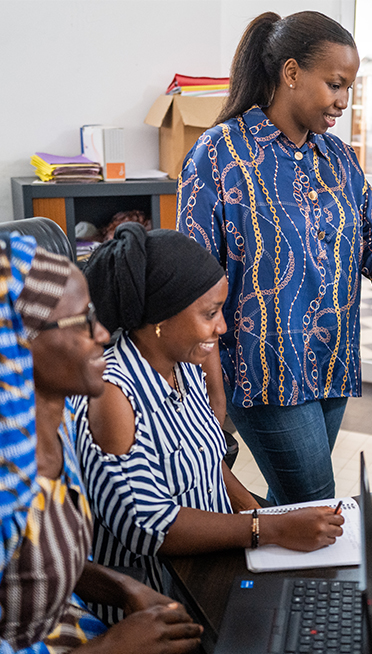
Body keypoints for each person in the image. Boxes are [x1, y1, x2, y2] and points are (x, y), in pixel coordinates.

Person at [176, 10, 372, 505]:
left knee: (296, 503)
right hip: (263, 370)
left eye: (350, 88)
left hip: (331, 361)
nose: (343, 102)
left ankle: (273, 582)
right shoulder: (219, 155)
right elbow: (193, 283)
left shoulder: (340, 160)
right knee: (319, 499)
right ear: (292, 72)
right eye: (335, 84)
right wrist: (209, 393)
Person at [74, 223, 345, 623]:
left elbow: (208, 457)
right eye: (210, 314)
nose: (221, 327)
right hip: (157, 601)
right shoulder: (113, 396)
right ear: (160, 318)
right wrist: (267, 530)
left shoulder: (180, 366)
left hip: (209, 564)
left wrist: (257, 510)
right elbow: (150, 527)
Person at [0, 233, 203, 654]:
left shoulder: (51, 425)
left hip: (61, 638)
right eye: (80, 321)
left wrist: (120, 586)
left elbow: (32, 565)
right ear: (14, 343)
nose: (102, 334)